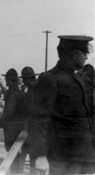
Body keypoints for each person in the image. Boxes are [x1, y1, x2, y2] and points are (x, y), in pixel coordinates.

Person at [27, 35, 95, 175]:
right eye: (85, 53)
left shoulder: (77, 79)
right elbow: (39, 119)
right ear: (75, 55)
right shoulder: (50, 79)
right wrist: (40, 155)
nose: (86, 57)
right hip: (61, 157)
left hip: (81, 156)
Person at [0, 68, 26, 174]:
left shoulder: (12, 93)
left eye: (7, 79)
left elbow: (9, 111)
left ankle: (15, 172)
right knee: (14, 151)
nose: (6, 81)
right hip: (18, 126)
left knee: (11, 151)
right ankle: (16, 171)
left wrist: (0, 121)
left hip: (11, 127)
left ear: (10, 80)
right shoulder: (19, 92)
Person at [19, 66, 39, 175]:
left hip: (33, 127)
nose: (23, 81)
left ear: (30, 79)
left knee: (31, 153)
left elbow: (32, 109)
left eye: (24, 79)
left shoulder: (34, 90)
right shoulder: (30, 90)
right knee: (27, 151)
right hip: (30, 126)